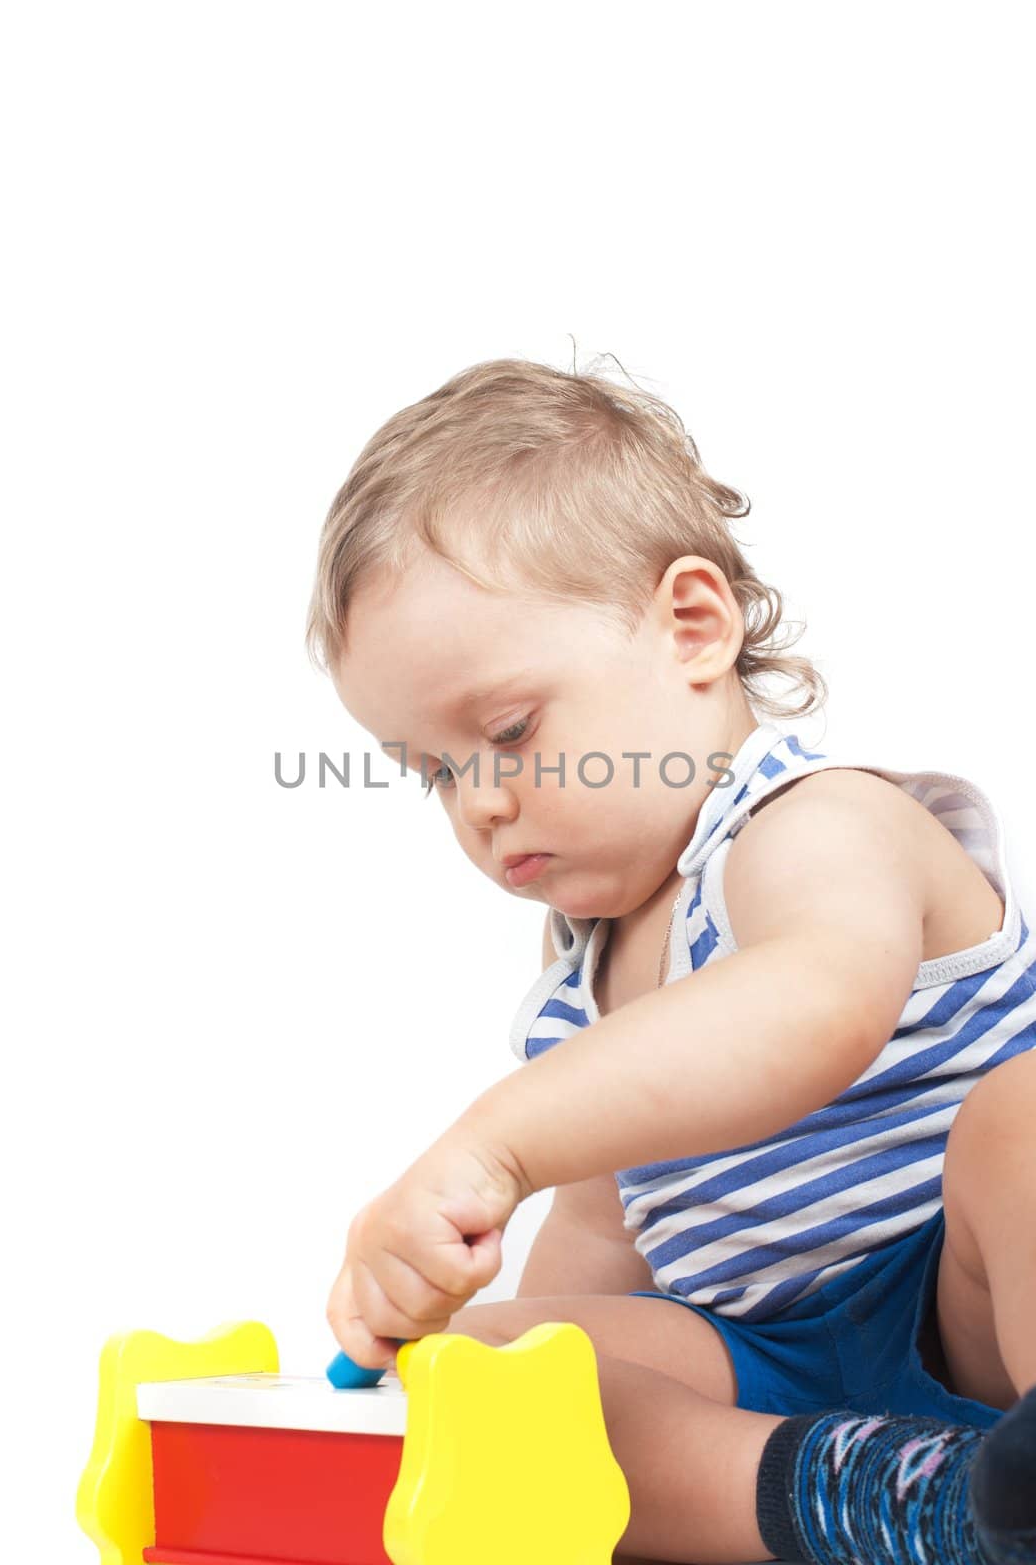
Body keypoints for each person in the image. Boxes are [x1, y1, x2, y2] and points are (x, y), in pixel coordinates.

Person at [305, 355, 1036, 1564]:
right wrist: (486, 1306)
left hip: (967, 1311)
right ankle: (900, 1503)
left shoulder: (813, 822)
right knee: (499, 1374)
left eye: (506, 733)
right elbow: (605, 1228)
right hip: (771, 1361)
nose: (477, 804)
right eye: (433, 773)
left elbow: (814, 1010)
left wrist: (491, 1146)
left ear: (692, 628)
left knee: (1024, 1121)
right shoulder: (580, 967)